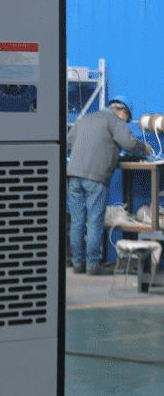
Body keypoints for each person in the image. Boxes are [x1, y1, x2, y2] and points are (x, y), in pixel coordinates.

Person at [66, 96, 151, 275]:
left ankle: (78, 264)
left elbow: (69, 142)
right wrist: (145, 148)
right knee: (94, 221)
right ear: (123, 112)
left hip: (73, 174)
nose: (126, 121)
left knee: (77, 221)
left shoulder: (85, 118)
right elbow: (129, 143)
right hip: (95, 176)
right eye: (127, 119)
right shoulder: (116, 121)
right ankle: (93, 265)